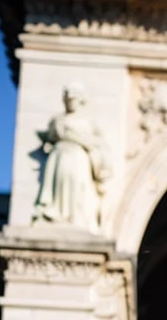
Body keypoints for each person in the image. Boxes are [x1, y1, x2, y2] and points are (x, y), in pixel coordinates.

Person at [32, 83, 111, 232]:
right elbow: (48, 137)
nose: (71, 101)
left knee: (77, 188)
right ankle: (56, 216)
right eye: (68, 99)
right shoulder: (57, 119)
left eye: (74, 98)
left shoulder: (88, 122)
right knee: (61, 184)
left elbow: (98, 144)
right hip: (59, 157)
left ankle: (77, 218)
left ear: (80, 100)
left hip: (77, 158)